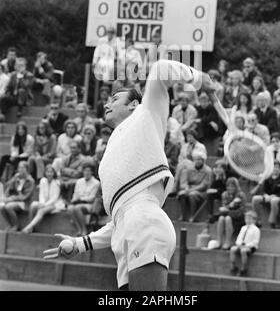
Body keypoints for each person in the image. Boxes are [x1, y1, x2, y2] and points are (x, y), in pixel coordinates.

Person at [43, 59, 217, 291]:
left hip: (146, 222)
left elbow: (161, 69)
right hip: (125, 229)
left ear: (134, 104)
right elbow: (120, 219)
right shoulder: (111, 148)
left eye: (115, 99)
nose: (107, 104)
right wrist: (81, 244)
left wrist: (198, 78)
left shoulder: (146, 115)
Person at [22, 164, 64, 233]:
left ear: (54, 173)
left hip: (53, 204)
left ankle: (29, 227)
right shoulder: (42, 181)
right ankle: (32, 227)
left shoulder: (57, 183)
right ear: (45, 173)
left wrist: (45, 205)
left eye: (51, 172)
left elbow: (54, 198)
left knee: (41, 211)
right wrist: (42, 203)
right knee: (33, 205)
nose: (49, 174)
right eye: (48, 172)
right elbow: (41, 194)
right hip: (44, 203)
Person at [0, 161, 35, 231]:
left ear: (26, 169)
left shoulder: (31, 181)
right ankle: (10, 225)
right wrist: (5, 198)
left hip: (25, 203)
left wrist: (11, 199)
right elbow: (8, 187)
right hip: (16, 201)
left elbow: (25, 197)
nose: (20, 169)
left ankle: (15, 226)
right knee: (1, 207)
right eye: (19, 167)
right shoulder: (16, 178)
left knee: (8, 207)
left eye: (22, 167)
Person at [68, 162, 100, 236]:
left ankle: (84, 229)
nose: (87, 173)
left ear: (92, 172)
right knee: (70, 208)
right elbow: (75, 194)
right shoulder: (79, 181)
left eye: (89, 171)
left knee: (77, 208)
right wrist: (74, 200)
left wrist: (81, 199)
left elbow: (92, 198)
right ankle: (79, 229)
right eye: (85, 171)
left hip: (89, 204)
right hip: (78, 202)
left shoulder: (96, 183)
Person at [177, 154, 212, 222]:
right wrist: (186, 188)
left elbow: (203, 185)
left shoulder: (208, 170)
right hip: (189, 189)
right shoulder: (189, 168)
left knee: (192, 195)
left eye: (200, 160)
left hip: (201, 191)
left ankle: (192, 215)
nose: (198, 161)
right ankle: (182, 215)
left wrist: (190, 190)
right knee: (181, 194)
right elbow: (185, 181)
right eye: (196, 160)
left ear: (203, 161)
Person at [251, 161, 280, 227]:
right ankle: (258, 219)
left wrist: (274, 195)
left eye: (277, 167)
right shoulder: (267, 178)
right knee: (255, 199)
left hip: (277, 197)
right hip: (267, 197)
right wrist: (265, 195)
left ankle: (273, 221)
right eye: (273, 167)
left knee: (274, 200)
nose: (275, 169)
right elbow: (263, 190)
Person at [215, 177, 246, 250]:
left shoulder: (241, 195)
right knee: (221, 218)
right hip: (228, 215)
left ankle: (227, 242)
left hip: (239, 218)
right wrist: (229, 206)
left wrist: (228, 210)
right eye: (228, 186)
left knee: (228, 218)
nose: (230, 188)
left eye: (232, 186)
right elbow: (223, 208)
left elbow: (241, 211)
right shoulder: (225, 194)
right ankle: (219, 241)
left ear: (236, 187)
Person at [230, 210, 261, 276]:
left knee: (243, 251)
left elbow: (255, 241)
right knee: (233, 249)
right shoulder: (243, 228)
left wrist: (247, 246)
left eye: (250, 219)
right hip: (242, 245)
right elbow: (239, 238)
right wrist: (239, 244)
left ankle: (244, 268)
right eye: (246, 219)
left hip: (250, 247)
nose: (248, 220)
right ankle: (233, 266)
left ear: (254, 220)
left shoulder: (256, 229)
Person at [194, 91, 225, 157]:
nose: (203, 103)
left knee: (213, 154)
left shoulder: (213, 108)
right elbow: (199, 119)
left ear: (209, 102)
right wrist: (210, 122)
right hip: (205, 135)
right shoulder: (199, 109)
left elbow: (211, 118)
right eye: (202, 102)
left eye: (205, 102)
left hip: (214, 134)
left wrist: (206, 121)